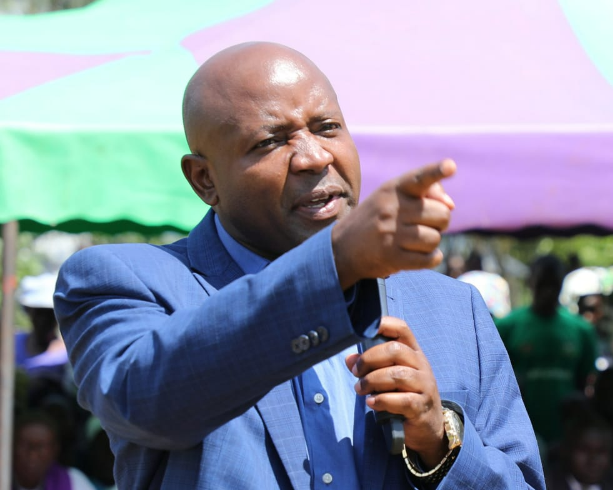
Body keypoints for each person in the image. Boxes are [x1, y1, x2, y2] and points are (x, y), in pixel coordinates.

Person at [54, 42, 544, 489]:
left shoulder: (453, 308)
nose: (313, 157)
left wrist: (439, 440)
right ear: (204, 179)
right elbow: (147, 403)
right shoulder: (124, 281)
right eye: (270, 141)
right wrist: (334, 264)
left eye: (328, 127)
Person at [496, 254, 599, 449]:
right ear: (531, 283)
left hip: (566, 432)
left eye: (554, 285)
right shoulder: (508, 326)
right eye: (542, 284)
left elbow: (587, 381)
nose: (548, 292)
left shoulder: (580, 330)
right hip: (520, 430)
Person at [12, 410, 96, 490]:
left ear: (55, 450)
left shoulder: (73, 481)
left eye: (41, 447)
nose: (32, 454)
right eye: (24, 445)